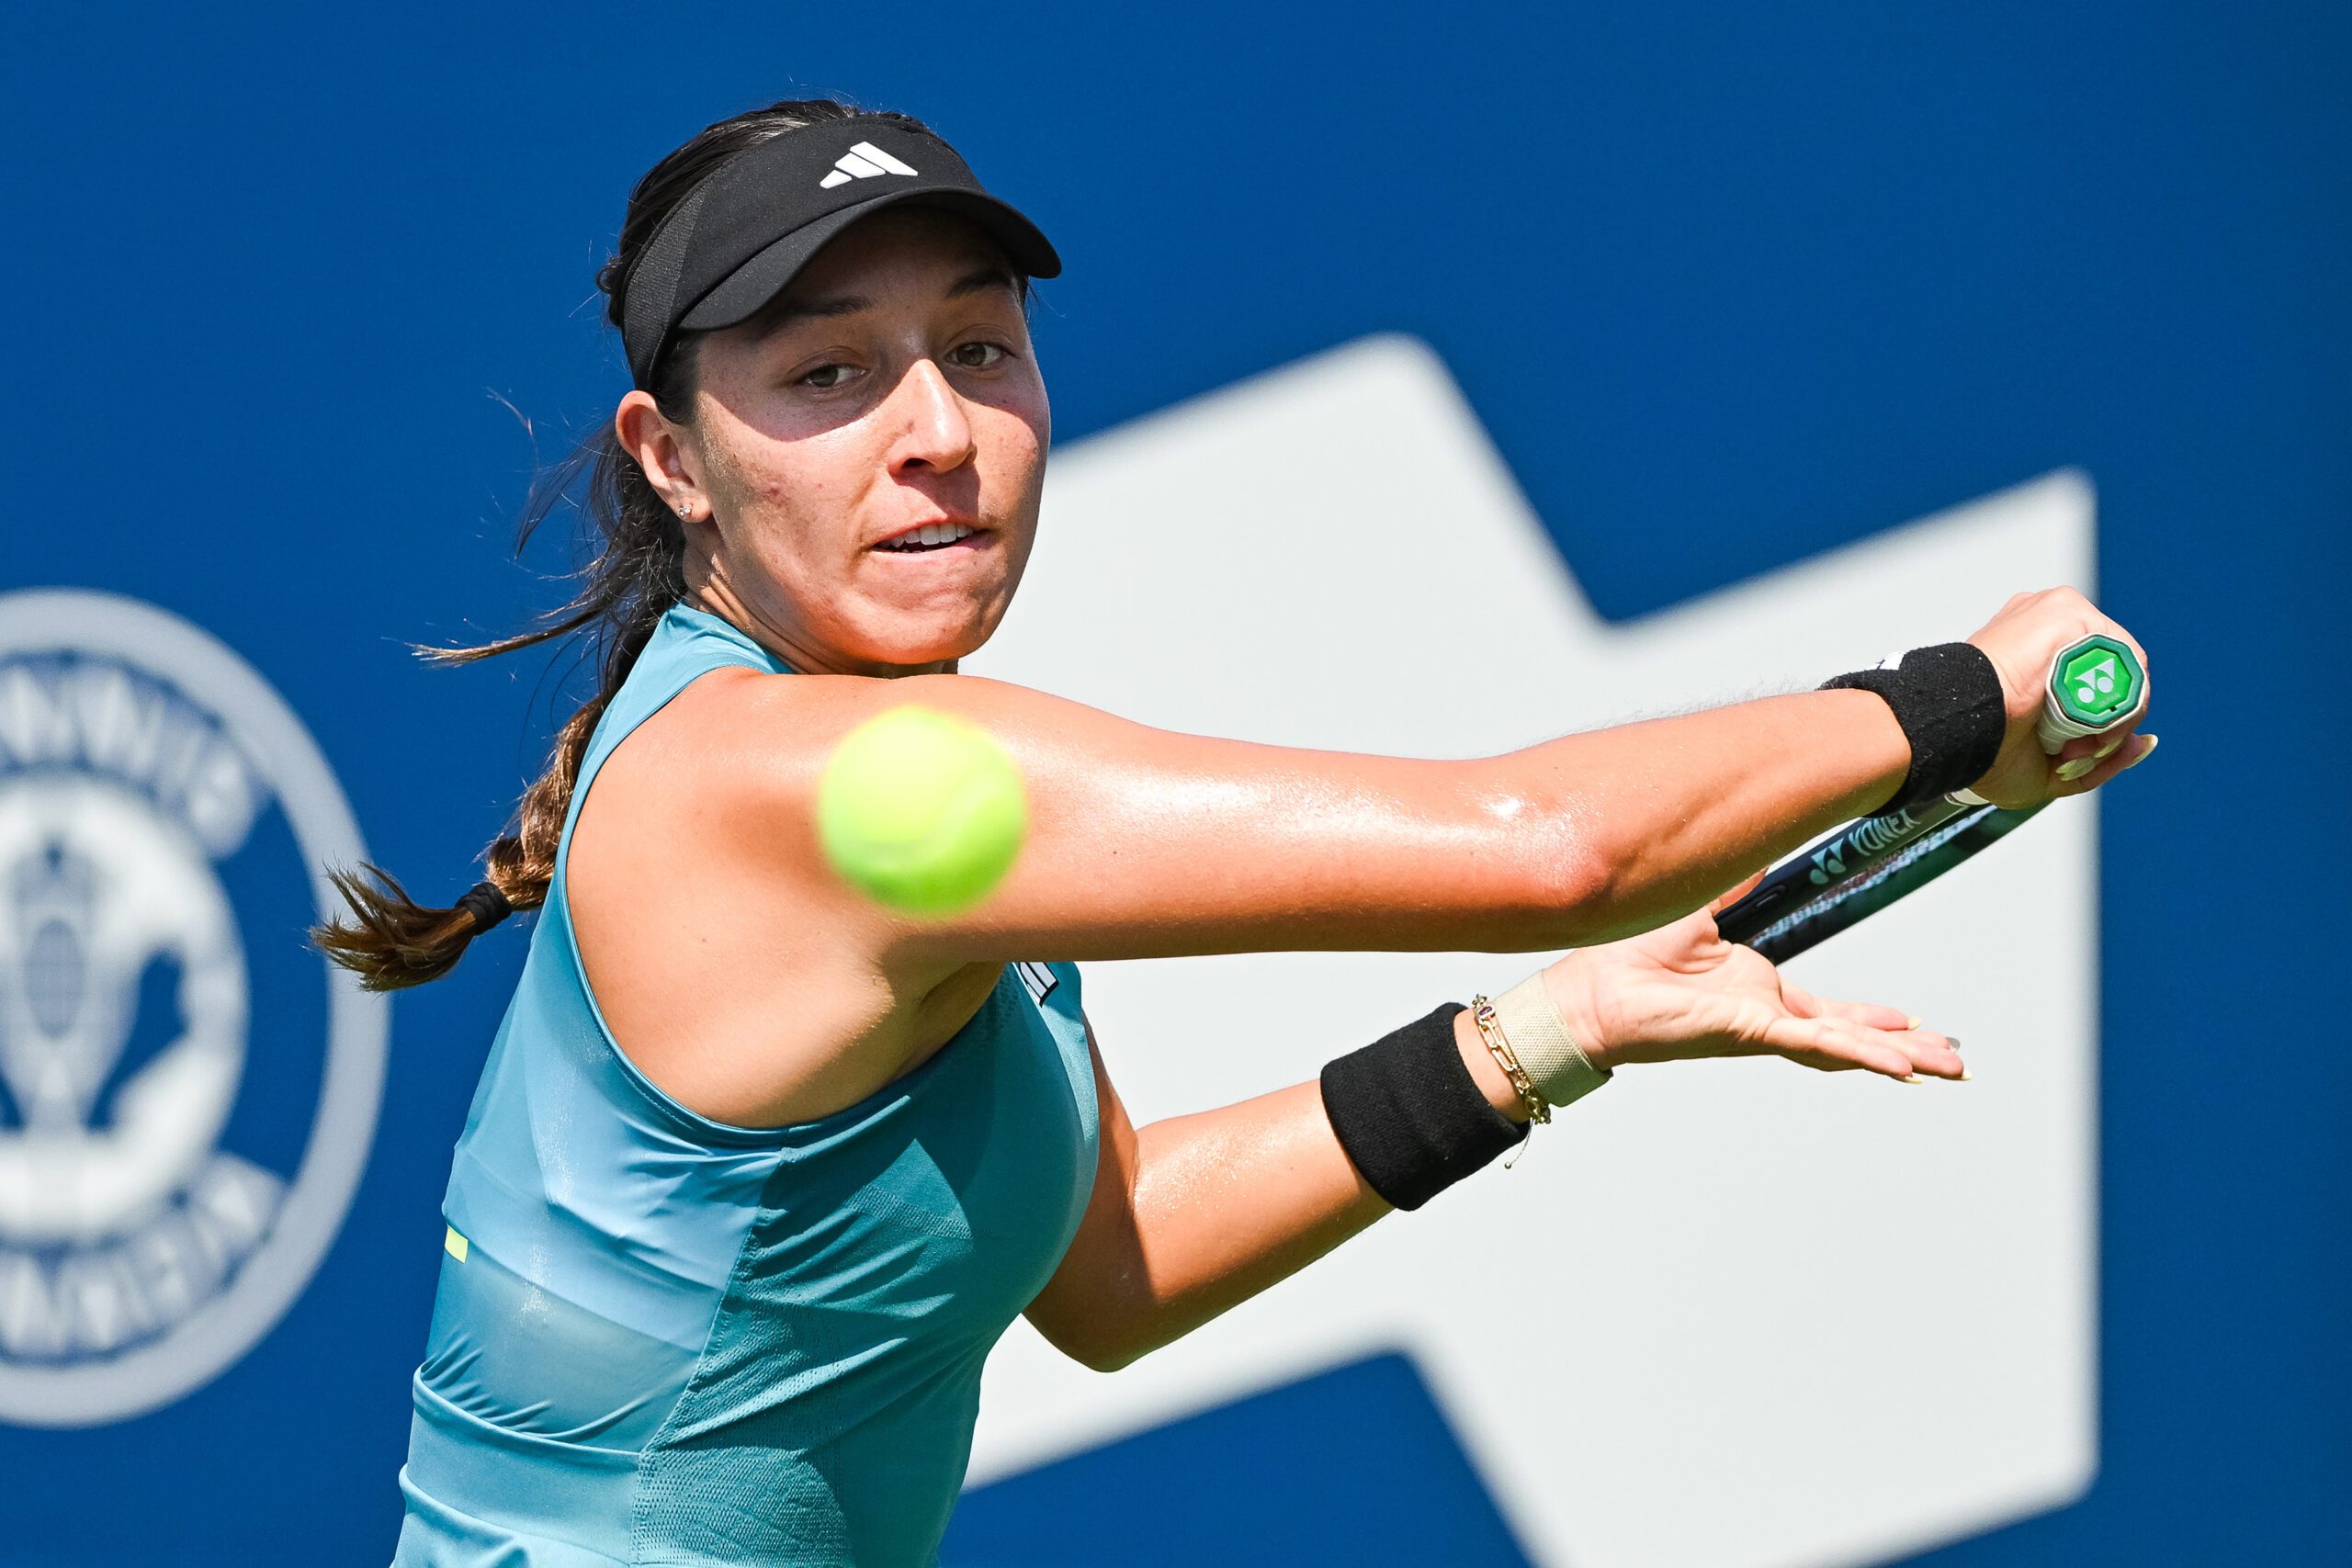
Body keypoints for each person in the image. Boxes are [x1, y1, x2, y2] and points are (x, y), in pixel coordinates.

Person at [319, 98, 2156, 1568]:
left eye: (977, 347)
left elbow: (1111, 1264)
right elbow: (1541, 845)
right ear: (669, 453)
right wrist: (1950, 703)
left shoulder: (871, 777)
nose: (939, 431)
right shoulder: (830, 790)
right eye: (828, 375)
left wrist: (1556, 1027)